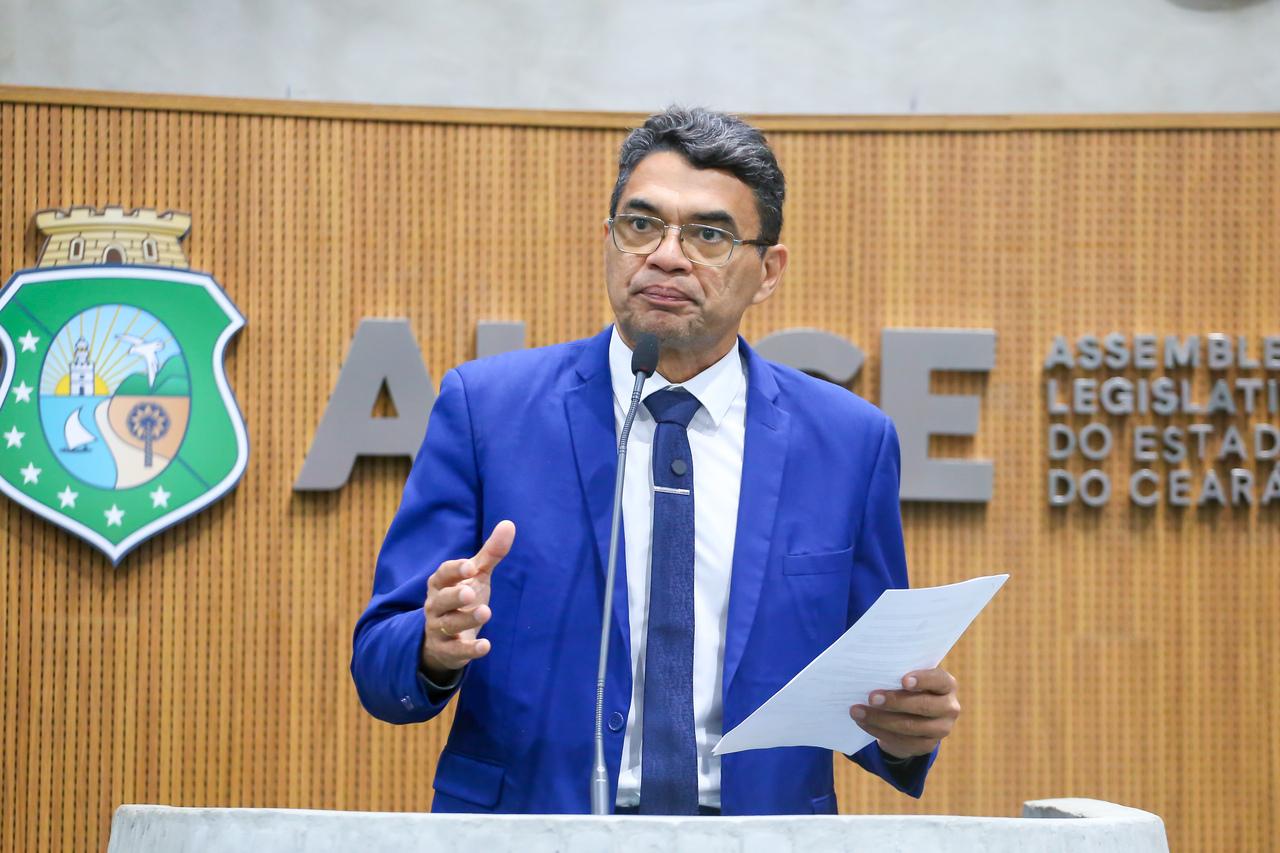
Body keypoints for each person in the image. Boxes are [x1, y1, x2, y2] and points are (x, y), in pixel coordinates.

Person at [351, 107, 961, 816]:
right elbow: (380, 664)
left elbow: (871, 690)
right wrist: (430, 646)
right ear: (609, 239)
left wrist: (905, 728)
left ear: (768, 271)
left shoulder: (850, 443)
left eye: (708, 234)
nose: (666, 256)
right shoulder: (486, 411)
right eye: (641, 225)